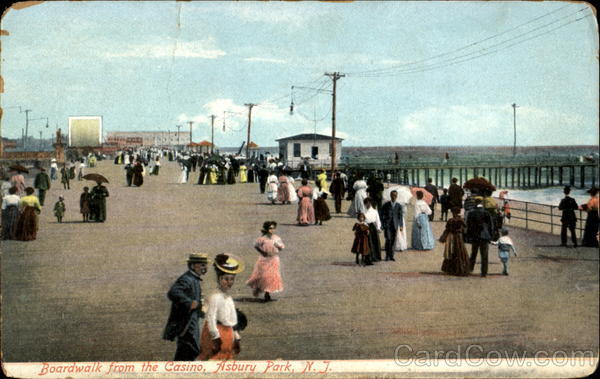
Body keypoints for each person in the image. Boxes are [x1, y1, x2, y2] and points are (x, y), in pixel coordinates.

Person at [163, 253, 209, 361]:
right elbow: (173, 292)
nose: (204, 268)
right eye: (201, 265)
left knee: (188, 349)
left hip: (192, 320)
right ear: (192, 266)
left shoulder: (194, 278)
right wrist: (189, 302)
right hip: (186, 322)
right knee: (191, 347)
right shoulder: (187, 279)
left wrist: (201, 308)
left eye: (205, 265)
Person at [199, 253, 245, 361]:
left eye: (232, 279)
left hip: (228, 333)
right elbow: (211, 318)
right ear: (219, 279)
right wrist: (215, 337)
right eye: (226, 279)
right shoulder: (215, 297)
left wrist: (236, 338)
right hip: (217, 333)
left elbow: (231, 320)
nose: (229, 283)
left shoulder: (228, 298)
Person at [247, 221, 285, 302]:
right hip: (264, 259)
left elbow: (281, 247)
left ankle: (267, 293)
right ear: (266, 229)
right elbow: (256, 246)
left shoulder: (276, 238)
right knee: (264, 275)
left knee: (271, 276)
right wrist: (262, 252)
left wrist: (277, 246)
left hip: (274, 259)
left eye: (273, 228)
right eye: (270, 228)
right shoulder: (262, 239)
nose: (272, 230)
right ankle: (258, 288)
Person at [465, 199, 495, 277]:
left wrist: (468, 236)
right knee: (484, 255)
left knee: (473, 253)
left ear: (475, 203)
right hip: (484, 236)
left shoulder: (471, 213)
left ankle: (470, 269)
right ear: (481, 204)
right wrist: (491, 236)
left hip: (475, 236)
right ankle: (484, 272)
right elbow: (491, 226)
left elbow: (468, 225)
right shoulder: (486, 213)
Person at [439, 207, 470, 276]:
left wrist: (443, 238)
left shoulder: (450, 220)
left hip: (451, 237)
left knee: (450, 252)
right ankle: (460, 269)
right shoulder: (460, 220)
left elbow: (447, 229)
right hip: (459, 237)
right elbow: (465, 227)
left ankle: (450, 269)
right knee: (459, 252)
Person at [380, 190, 404, 261]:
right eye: (393, 195)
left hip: (395, 225)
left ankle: (391, 256)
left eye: (395, 195)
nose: (394, 197)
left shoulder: (398, 206)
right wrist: (382, 223)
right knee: (388, 239)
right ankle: (387, 255)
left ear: (397, 196)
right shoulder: (386, 205)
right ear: (390, 196)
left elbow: (400, 216)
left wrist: (401, 225)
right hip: (387, 225)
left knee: (393, 241)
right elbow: (381, 214)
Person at [364, 198, 382, 263]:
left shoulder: (374, 211)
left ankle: (376, 257)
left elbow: (378, 220)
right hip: (366, 227)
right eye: (366, 203)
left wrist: (378, 228)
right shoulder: (364, 212)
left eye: (368, 203)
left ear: (370, 203)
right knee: (368, 243)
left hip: (373, 227)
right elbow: (363, 220)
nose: (367, 205)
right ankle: (369, 257)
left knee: (375, 242)